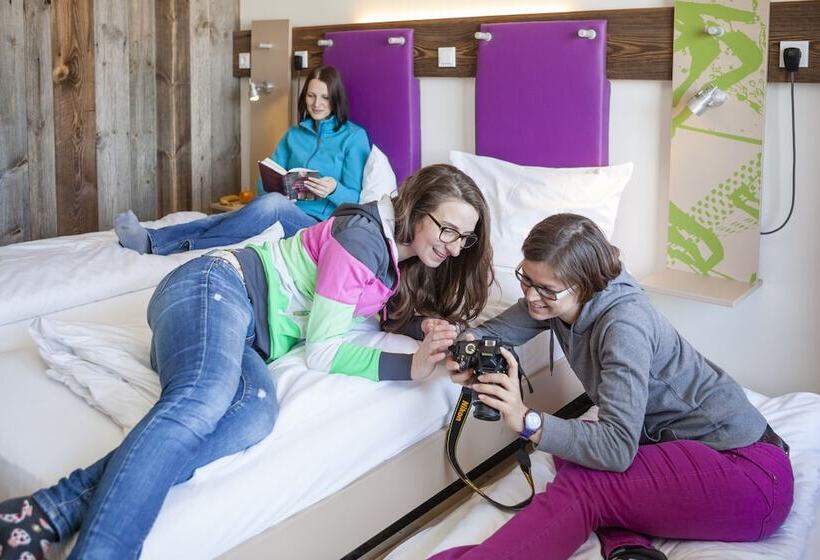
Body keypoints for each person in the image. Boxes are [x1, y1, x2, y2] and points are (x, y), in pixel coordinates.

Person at [0, 164, 494, 559]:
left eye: (464, 238)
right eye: (446, 229)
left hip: (232, 330)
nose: (452, 247)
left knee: (254, 413)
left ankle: (44, 510)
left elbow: (374, 308)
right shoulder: (363, 239)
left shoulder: (396, 254)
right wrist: (406, 368)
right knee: (201, 400)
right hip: (214, 287)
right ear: (415, 207)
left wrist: (423, 327)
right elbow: (322, 351)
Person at [434, 213, 793, 560]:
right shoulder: (557, 300)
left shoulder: (624, 327)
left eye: (546, 289)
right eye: (526, 279)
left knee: (584, 484)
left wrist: (526, 419)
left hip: (750, 476)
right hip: (682, 449)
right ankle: (629, 546)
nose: (531, 296)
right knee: (571, 446)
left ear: (584, 284)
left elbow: (618, 449)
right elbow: (490, 333)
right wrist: (464, 348)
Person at [114, 65, 370, 255]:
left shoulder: (354, 137)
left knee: (269, 205)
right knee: (222, 218)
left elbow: (357, 200)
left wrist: (333, 188)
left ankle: (170, 245)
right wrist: (275, 185)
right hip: (279, 205)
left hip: (315, 225)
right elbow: (265, 181)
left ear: (335, 98)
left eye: (324, 97)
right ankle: (150, 239)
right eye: (311, 96)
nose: (316, 103)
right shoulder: (294, 134)